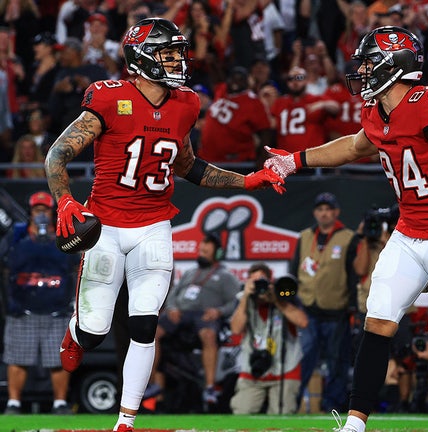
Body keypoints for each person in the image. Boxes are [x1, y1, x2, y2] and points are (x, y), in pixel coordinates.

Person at [265, 25, 428, 432]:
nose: (362, 71)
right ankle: (354, 424)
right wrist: (295, 160)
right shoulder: (376, 110)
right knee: (378, 319)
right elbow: (354, 146)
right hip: (408, 232)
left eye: (368, 62)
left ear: (392, 63)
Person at [43, 17, 284, 432]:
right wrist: (64, 200)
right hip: (105, 225)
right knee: (96, 330)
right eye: (167, 53)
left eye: (178, 52)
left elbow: (187, 165)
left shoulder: (187, 102)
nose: (177, 59)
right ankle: (77, 331)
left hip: (154, 224)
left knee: (145, 322)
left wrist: (248, 181)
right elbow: (56, 156)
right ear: (140, 57)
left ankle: (126, 421)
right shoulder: (107, 97)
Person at [3, 191, 78, 415]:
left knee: (58, 359)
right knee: (17, 358)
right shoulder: (17, 236)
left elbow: (76, 267)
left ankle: (60, 403)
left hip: (57, 309)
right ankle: (14, 404)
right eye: (37, 210)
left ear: (53, 213)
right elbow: (4, 264)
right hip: (23, 308)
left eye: (45, 210)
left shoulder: (65, 235)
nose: (42, 215)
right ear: (30, 213)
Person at [151, 234, 241, 405]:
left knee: (208, 335)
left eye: (206, 252)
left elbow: (235, 300)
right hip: (181, 314)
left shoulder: (225, 276)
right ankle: (152, 383)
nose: (202, 254)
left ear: (217, 254)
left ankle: (210, 388)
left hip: (204, 315)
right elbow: (172, 295)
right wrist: (172, 308)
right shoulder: (190, 273)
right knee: (153, 333)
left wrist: (219, 311)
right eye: (201, 251)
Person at [290, 192, 359, 413]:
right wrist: (292, 304)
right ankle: (294, 402)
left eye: (328, 209)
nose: (324, 213)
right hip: (307, 310)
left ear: (336, 212)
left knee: (337, 361)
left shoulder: (348, 237)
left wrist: (352, 307)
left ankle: (332, 406)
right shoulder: (304, 236)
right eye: (320, 209)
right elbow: (293, 272)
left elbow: (353, 275)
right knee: (303, 357)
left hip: (336, 310)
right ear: (315, 213)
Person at [229, 263, 308, 415]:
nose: (260, 287)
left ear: (271, 282)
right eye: (255, 282)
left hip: (285, 369)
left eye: (263, 281)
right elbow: (236, 329)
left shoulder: (284, 296)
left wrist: (277, 300)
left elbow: (303, 322)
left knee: (283, 415)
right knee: (241, 411)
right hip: (253, 370)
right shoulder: (243, 300)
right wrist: (246, 297)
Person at [196, 66, 274, 166]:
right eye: (233, 78)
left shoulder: (253, 102)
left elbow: (265, 132)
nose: (236, 82)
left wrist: (262, 159)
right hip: (207, 158)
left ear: (247, 82)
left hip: (234, 162)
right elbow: (215, 73)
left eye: (240, 79)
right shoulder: (222, 89)